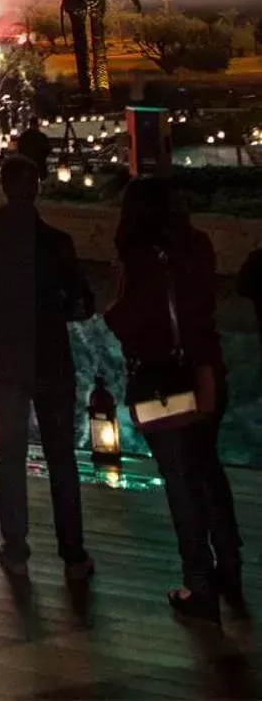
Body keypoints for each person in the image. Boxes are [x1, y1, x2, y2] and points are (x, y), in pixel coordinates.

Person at [105, 178, 244, 620]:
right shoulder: (197, 244)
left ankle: (198, 584)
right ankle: (230, 564)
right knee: (208, 469)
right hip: (207, 373)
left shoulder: (139, 258)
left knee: (180, 481)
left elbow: (130, 319)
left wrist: (113, 311)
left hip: (165, 384)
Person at [0, 156, 95, 583]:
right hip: (52, 355)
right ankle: (73, 552)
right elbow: (82, 301)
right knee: (61, 457)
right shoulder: (57, 242)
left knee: (11, 458)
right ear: (37, 188)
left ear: (3, 188)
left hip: (6, 356)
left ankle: (16, 548)